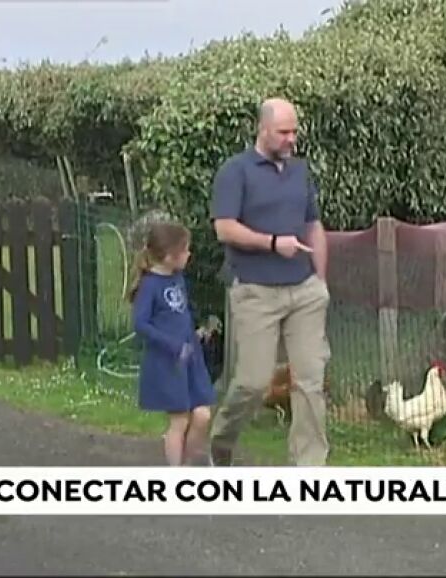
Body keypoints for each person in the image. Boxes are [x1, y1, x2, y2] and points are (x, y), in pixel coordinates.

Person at [207, 97, 331, 467]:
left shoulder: (301, 172)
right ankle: (221, 441)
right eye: (283, 132)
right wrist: (274, 244)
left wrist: (321, 279)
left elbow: (314, 224)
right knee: (253, 382)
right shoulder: (235, 172)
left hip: (305, 290)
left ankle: (309, 467)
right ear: (263, 130)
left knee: (310, 380)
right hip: (256, 290)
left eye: (295, 132)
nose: (291, 139)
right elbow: (224, 228)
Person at [129, 221, 217, 466]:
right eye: (185, 249)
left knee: (202, 415)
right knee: (180, 420)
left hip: (190, 358)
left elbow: (180, 315)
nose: (189, 254)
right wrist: (172, 345)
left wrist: (195, 333)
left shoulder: (178, 278)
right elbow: (141, 324)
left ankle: (186, 466)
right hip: (168, 362)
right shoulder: (150, 286)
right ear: (169, 256)